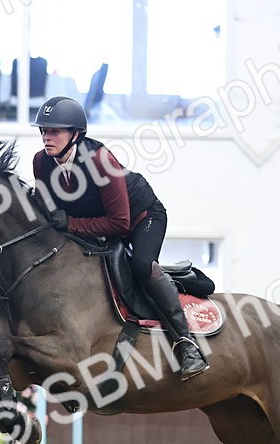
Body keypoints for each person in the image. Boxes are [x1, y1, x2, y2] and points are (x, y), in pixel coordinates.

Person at [31, 96, 209, 381]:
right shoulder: (41, 162)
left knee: (140, 264)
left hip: (142, 217)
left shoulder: (101, 160)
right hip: (97, 224)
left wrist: (71, 223)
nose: (46, 138)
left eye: (54, 131)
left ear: (75, 134)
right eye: (43, 131)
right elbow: (47, 208)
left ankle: (186, 344)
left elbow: (119, 222)